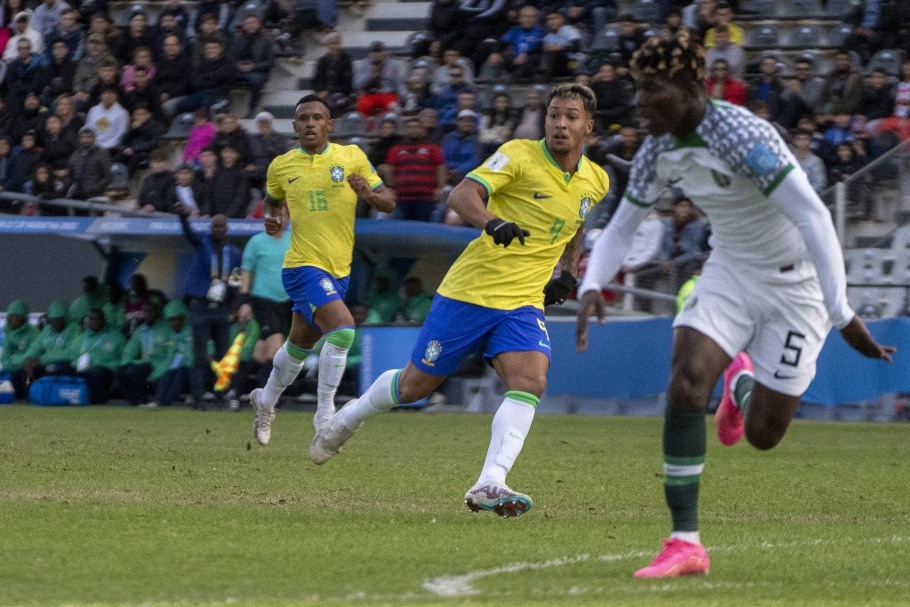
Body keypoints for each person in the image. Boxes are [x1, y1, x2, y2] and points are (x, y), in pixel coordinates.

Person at [575, 34, 894, 579]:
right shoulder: (657, 148)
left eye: (651, 90)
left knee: (765, 435)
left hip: (797, 289)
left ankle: (741, 386)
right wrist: (591, 284)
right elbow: (623, 224)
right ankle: (684, 541)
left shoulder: (741, 136)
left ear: (688, 87)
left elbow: (815, 218)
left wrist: (841, 312)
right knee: (684, 381)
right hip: (730, 272)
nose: (640, 103)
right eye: (637, 90)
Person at [310, 83, 610, 520]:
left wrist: (567, 271)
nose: (560, 124)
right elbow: (461, 194)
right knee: (413, 387)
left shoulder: (595, 180)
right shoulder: (519, 155)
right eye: (553, 115)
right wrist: (492, 223)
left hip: (521, 301)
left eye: (570, 117)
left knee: (531, 382)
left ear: (589, 127)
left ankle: (491, 480)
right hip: (469, 293)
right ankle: (345, 420)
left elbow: (576, 224)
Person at [249, 94, 395, 443]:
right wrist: (274, 220)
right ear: (295, 125)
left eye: (318, 117)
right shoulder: (281, 166)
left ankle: (265, 400)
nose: (311, 123)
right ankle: (325, 415)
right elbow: (272, 203)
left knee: (298, 347)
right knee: (343, 330)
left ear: (330, 125)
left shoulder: (352, 157)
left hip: (339, 270)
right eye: (303, 118)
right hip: (301, 265)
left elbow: (388, 201)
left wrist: (369, 195)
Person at [175, 209, 243, 410]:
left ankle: (220, 396)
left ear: (227, 229)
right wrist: (183, 217)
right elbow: (188, 233)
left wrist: (235, 306)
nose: (218, 229)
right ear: (210, 228)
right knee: (200, 355)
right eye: (214, 226)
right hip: (201, 307)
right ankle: (197, 399)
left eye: (221, 226)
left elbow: (235, 281)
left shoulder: (235, 254)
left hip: (221, 308)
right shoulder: (202, 243)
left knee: (223, 355)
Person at [237, 207, 292, 395]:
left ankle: (234, 391)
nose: (280, 219)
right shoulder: (256, 242)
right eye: (277, 215)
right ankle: (267, 398)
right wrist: (244, 302)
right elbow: (246, 274)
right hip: (263, 300)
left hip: (286, 302)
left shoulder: (294, 241)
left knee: (260, 355)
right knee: (276, 349)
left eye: (284, 215)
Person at [1, 299, 37, 400]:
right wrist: (16, 362)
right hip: (13, 369)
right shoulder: (8, 334)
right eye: (11, 317)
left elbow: (33, 352)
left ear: (23, 317)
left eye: (17, 316)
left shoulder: (33, 332)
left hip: (28, 368)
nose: (14, 319)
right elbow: (5, 358)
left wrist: (17, 360)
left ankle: (28, 397)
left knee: (28, 369)